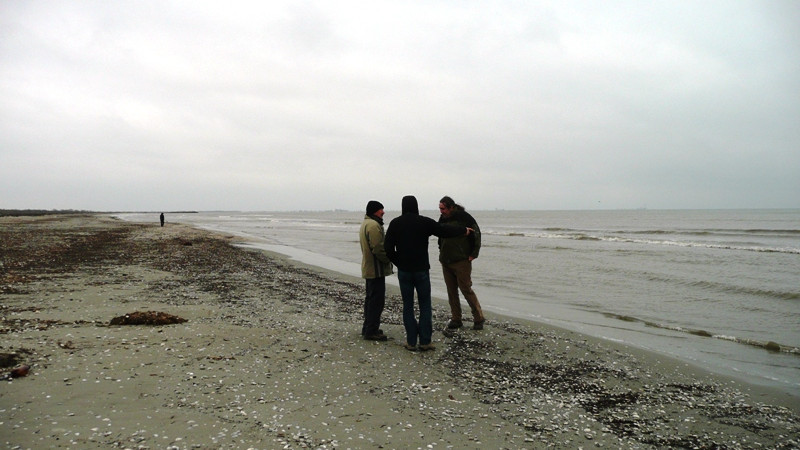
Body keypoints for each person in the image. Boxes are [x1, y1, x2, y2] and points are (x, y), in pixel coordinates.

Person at [384, 195, 470, 352]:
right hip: (421, 270)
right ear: (416, 206)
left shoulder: (396, 223)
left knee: (408, 306)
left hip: (405, 272)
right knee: (425, 305)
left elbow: (388, 248)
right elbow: (443, 231)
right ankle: (425, 341)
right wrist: (463, 230)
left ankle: (411, 342)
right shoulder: (424, 222)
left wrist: (400, 263)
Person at [438, 196, 485, 330]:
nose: (441, 211)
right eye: (440, 209)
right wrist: (440, 250)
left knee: (466, 289)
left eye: (443, 209)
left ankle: (478, 317)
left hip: (461, 260)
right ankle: (456, 318)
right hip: (445, 260)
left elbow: (477, 234)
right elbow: (441, 234)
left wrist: (473, 254)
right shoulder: (442, 218)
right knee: (451, 291)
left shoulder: (464, 217)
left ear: (451, 207)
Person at [359, 200, 393, 341]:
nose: (383, 212)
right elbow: (378, 248)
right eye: (381, 209)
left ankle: (368, 327)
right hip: (375, 269)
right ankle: (371, 330)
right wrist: (388, 259)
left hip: (369, 268)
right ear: (374, 211)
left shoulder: (366, 223)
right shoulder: (373, 225)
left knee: (370, 299)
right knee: (376, 301)